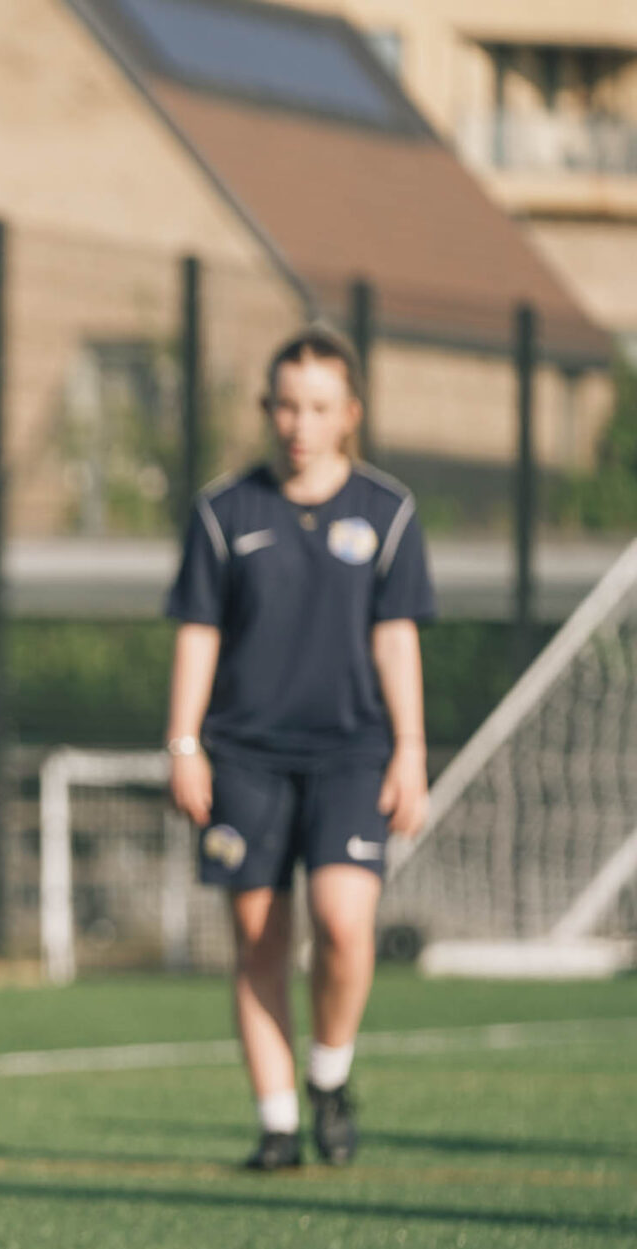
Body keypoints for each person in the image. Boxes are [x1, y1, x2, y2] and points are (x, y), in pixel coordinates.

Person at [165, 328, 432, 1172]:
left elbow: (395, 640)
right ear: (267, 408)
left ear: (349, 414)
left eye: (318, 407)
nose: (299, 423)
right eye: (286, 404)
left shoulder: (388, 514)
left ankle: (330, 1075)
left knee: (345, 925)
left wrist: (411, 750)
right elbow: (199, 635)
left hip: (355, 752)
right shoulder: (223, 511)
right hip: (244, 755)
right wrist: (183, 743)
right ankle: (278, 1124)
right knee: (259, 936)